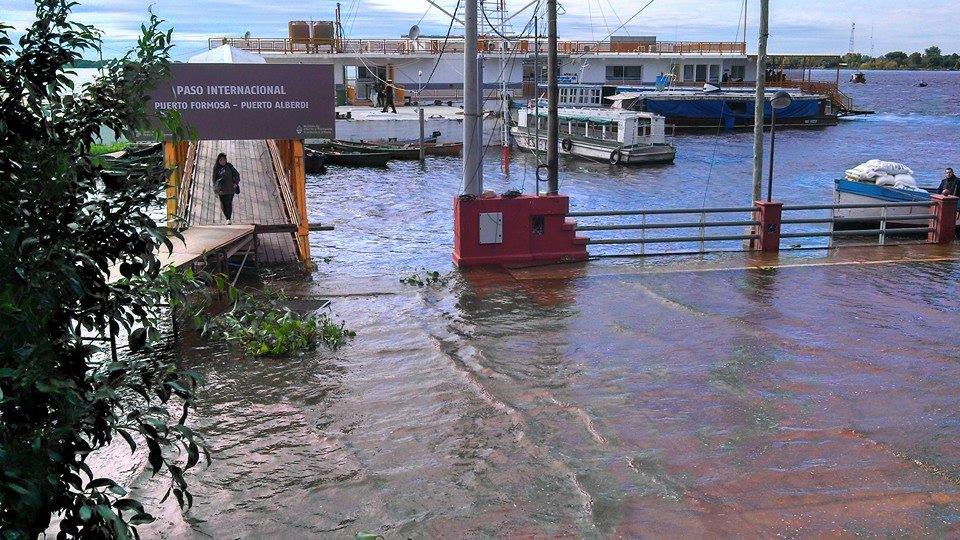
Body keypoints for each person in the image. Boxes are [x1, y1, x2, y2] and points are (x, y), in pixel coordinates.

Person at [212, 152, 240, 224]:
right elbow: (214, 180)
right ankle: (227, 217)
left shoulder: (229, 166)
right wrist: (216, 190)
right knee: (223, 204)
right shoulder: (216, 168)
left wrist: (235, 183)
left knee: (229, 203)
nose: (223, 161)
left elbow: (236, 175)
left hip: (230, 189)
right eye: (221, 160)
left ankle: (228, 218)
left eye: (224, 160)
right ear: (218, 161)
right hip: (221, 190)